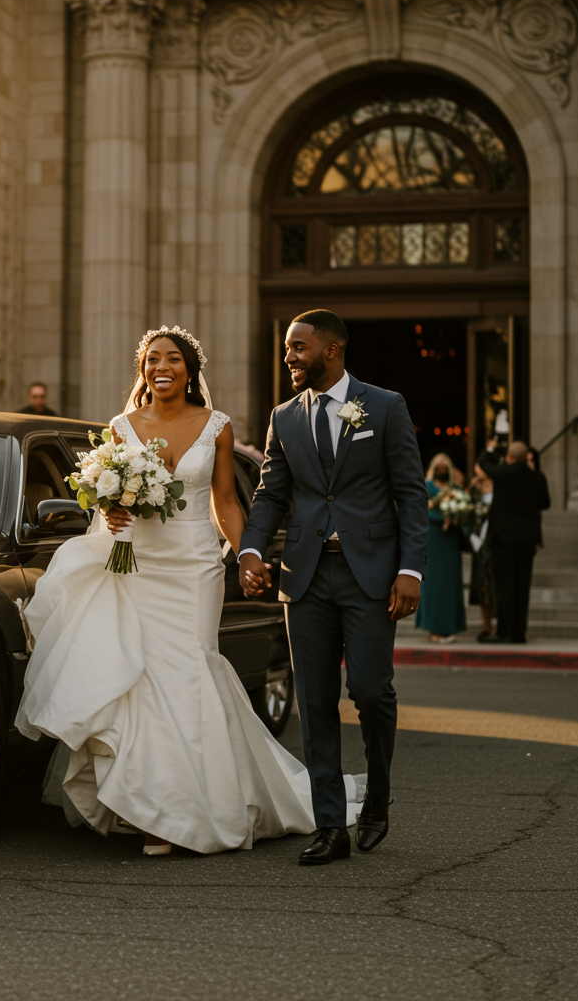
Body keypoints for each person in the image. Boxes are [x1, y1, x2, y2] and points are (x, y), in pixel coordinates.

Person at [16, 326, 367, 857]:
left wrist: (246, 553)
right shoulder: (120, 428)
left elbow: (224, 502)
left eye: (173, 358)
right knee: (139, 679)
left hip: (195, 565)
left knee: (189, 672)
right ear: (143, 370)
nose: (163, 366)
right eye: (153, 358)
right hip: (135, 564)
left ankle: (190, 805)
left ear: (189, 369)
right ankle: (153, 809)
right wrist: (109, 508)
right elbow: (103, 500)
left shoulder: (216, 426)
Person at [238, 310, 428, 866]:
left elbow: (411, 494)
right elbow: (272, 493)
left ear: (333, 350)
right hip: (306, 577)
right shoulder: (283, 417)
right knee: (314, 699)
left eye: (299, 347)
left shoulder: (382, 406)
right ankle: (329, 826)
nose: (289, 356)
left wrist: (410, 569)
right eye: (286, 349)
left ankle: (377, 799)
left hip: (370, 574)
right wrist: (251, 548)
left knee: (371, 692)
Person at [476, 439, 550, 643]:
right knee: (522, 585)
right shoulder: (537, 476)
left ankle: (504, 631)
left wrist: (489, 448)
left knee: (505, 585)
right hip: (527, 539)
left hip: (503, 537)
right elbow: (545, 502)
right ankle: (519, 632)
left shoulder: (503, 473)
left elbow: (482, 464)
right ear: (527, 457)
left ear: (509, 458)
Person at [416, 453, 468, 644]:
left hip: (450, 542)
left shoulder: (455, 489)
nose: (442, 467)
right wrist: (441, 518)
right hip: (434, 541)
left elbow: (463, 509)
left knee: (450, 584)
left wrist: (457, 515)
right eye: (439, 464)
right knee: (433, 584)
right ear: (433, 468)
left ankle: (448, 627)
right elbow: (420, 511)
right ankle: (433, 629)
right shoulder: (426, 486)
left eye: (446, 465)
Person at [467, 469, 496, 642]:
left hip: (495, 543)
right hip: (479, 545)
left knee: (496, 585)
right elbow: (467, 514)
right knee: (482, 585)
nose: (477, 471)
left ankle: (500, 622)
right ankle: (487, 625)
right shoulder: (475, 490)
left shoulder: (499, 487)